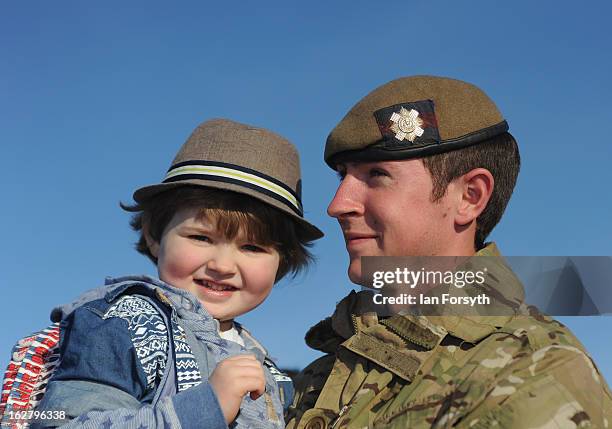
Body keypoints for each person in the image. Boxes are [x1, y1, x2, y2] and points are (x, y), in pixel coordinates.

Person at [286, 76, 612, 428]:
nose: (337, 205)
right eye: (342, 177)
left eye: (377, 174)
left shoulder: (530, 377)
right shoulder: (330, 368)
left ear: (469, 196)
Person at [30, 118, 323, 428]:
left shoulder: (270, 372)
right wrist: (203, 409)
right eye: (201, 237)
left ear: (282, 261)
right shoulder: (128, 322)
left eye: (252, 248)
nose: (222, 266)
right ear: (155, 236)